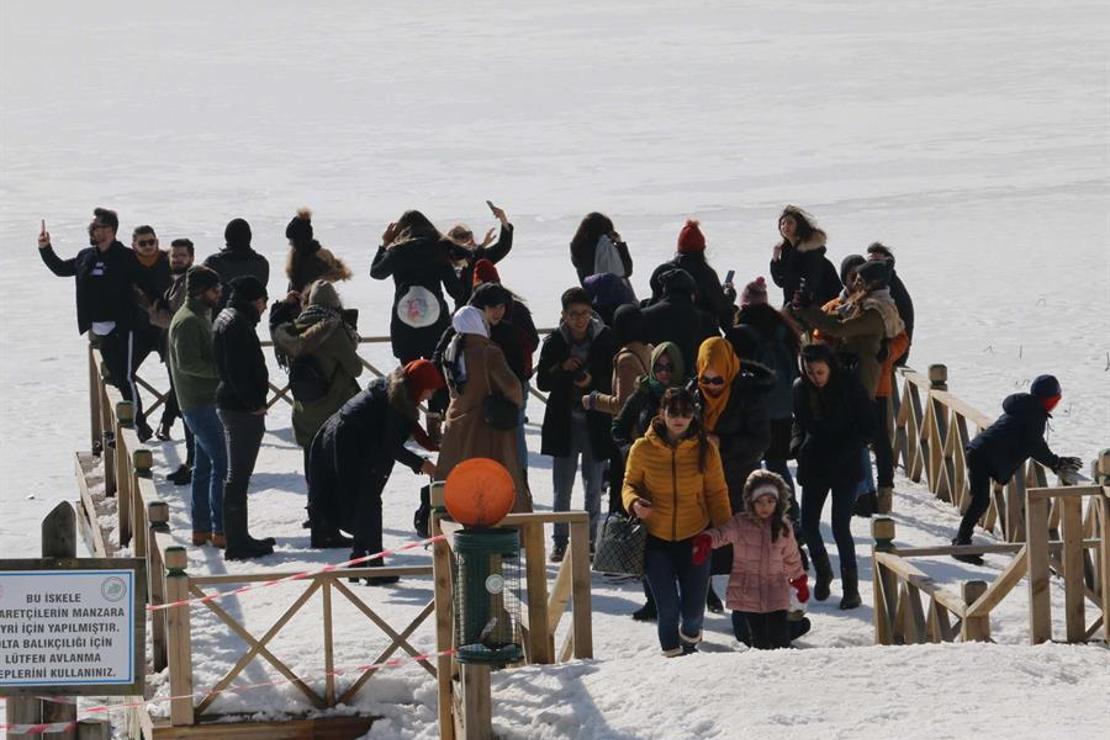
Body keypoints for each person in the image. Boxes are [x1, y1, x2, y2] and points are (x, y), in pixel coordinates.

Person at [307, 361, 442, 585]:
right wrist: (421, 464)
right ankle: (374, 568)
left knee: (366, 500)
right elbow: (392, 445)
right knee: (368, 501)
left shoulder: (399, 389)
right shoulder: (396, 400)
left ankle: (359, 561)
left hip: (351, 438)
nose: (431, 395)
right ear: (419, 387)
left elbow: (406, 421)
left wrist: (428, 443)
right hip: (349, 444)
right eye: (430, 389)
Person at [622, 387, 731, 657]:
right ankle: (671, 661)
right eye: (673, 412)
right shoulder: (643, 448)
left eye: (686, 413)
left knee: (693, 613)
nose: (679, 418)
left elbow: (717, 493)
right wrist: (634, 503)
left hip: (696, 537)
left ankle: (690, 648)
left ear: (693, 415)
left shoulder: (706, 449)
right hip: (655, 540)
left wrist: (726, 531)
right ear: (662, 413)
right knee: (667, 608)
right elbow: (629, 484)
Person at [792, 259, 907, 514]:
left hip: (866, 380)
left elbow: (839, 326)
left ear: (873, 283)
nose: (855, 282)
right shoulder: (861, 303)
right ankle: (863, 493)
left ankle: (866, 494)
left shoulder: (877, 311)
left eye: (860, 279)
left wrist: (810, 311)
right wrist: (809, 307)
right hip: (852, 374)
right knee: (858, 435)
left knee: (864, 437)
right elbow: (835, 317)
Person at [37, 209, 160, 440]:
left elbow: (146, 283)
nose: (94, 230)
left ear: (111, 230)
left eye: (99, 227)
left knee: (124, 377)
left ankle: (136, 427)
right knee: (113, 377)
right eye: (93, 227)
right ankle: (130, 425)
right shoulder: (86, 256)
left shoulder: (125, 256)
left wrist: (161, 306)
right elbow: (61, 269)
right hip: (97, 329)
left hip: (123, 326)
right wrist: (45, 249)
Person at [271, 280, 363, 547]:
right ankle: (328, 529)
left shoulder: (295, 327)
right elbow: (355, 368)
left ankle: (317, 522)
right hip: (332, 409)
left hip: (304, 409)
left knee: (312, 469)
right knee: (332, 471)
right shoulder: (333, 329)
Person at [952, 375, 1081, 564]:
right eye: (1057, 399)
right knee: (980, 500)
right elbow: (1034, 444)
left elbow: (1028, 439)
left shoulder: (1025, 407)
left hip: (980, 452)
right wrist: (1055, 462)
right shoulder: (1034, 413)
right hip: (982, 456)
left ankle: (961, 542)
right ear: (1051, 400)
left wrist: (1054, 461)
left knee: (980, 500)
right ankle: (960, 544)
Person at [536, 287, 619, 561]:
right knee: (562, 488)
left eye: (584, 313)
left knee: (593, 487)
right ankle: (560, 541)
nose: (580, 319)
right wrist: (563, 369)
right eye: (574, 315)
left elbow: (612, 378)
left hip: (596, 422)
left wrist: (591, 381)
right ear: (564, 315)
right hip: (564, 423)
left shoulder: (605, 339)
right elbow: (542, 383)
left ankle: (590, 540)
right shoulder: (554, 342)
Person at [791, 344, 875, 609]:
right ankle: (823, 569)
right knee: (808, 524)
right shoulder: (800, 388)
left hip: (844, 464)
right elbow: (799, 423)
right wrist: (796, 445)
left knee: (840, 527)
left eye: (819, 372)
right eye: (810, 372)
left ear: (830, 367)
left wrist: (846, 450)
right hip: (814, 461)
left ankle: (851, 588)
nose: (815, 377)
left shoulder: (849, 386)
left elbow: (868, 427)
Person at [692, 470, 809, 649]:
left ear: (778, 503)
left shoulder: (783, 527)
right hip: (749, 591)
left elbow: (792, 556)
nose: (765, 507)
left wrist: (799, 581)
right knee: (758, 637)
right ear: (750, 502)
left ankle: (785, 667)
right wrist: (706, 540)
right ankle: (761, 668)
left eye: (770, 502)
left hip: (776, 589)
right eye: (759, 502)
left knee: (780, 636)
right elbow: (722, 534)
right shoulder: (741, 523)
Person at [611, 341, 685, 622]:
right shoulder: (643, 392)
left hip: (681, 477)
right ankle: (654, 599)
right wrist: (629, 451)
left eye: (669, 367)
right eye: (659, 367)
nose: (664, 373)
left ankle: (690, 597)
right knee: (649, 541)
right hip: (647, 479)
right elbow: (618, 426)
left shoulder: (685, 394)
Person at [437, 306, 531, 511]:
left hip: (456, 428)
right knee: (496, 488)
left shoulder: (450, 350)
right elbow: (513, 387)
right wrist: (514, 405)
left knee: (458, 488)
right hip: (487, 429)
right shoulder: (489, 351)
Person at [212, 275, 274, 560]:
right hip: (240, 409)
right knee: (237, 477)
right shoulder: (237, 323)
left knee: (236, 476)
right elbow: (238, 371)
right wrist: (254, 405)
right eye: (264, 301)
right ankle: (237, 542)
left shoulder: (228, 315)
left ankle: (239, 537)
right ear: (255, 299)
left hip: (232, 405)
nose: (265, 308)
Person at [167, 266, 228, 548]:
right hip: (198, 403)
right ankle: (221, 530)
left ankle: (202, 529)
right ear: (201, 291)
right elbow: (187, 363)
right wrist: (222, 371)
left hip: (199, 402)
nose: (220, 294)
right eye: (215, 290)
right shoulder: (189, 321)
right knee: (221, 464)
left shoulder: (197, 315)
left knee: (204, 468)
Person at [730, 277, 801, 494]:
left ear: (744, 304)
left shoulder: (740, 334)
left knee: (749, 465)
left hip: (753, 411)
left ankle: (752, 515)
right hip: (783, 409)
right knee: (777, 465)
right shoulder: (784, 329)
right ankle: (791, 513)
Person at [583, 304, 652, 510]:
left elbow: (623, 404)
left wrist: (594, 400)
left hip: (629, 436)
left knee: (623, 494)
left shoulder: (626, 359)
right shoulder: (648, 349)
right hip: (645, 432)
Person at [151, 239, 197, 482]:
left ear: (191, 257)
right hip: (175, 355)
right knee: (186, 410)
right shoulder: (177, 282)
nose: (177, 259)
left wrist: (152, 312)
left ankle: (194, 463)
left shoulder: (188, 283)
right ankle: (192, 461)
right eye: (173, 255)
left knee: (191, 411)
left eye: (182, 255)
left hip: (184, 356)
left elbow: (175, 320)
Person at [647, 219, 735, 330]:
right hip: (700, 336)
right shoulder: (706, 274)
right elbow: (722, 308)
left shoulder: (662, 271)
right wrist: (729, 295)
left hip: (664, 335)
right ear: (702, 249)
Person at [641, 267, 718, 372]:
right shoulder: (705, 320)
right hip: (691, 381)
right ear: (691, 293)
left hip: (655, 378)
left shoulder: (645, 315)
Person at [768, 205, 841, 308]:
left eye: (790, 223)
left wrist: (802, 303)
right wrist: (775, 260)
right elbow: (782, 282)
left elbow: (813, 280)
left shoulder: (811, 251)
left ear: (798, 225)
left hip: (821, 303)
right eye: (782, 223)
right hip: (796, 303)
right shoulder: (787, 251)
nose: (785, 226)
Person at [446, 201, 514, 304]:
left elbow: (503, 247)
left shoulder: (481, 256)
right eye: (461, 236)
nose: (467, 239)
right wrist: (481, 247)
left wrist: (503, 219)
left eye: (468, 234)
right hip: (466, 311)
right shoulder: (450, 264)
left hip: (488, 308)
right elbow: (462, 286)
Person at [203, 218, 270, 310]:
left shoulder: (213, 263)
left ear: (227, 237)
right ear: (249, 237)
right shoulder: (262, 264)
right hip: (248, 319)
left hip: (218, 319)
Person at [283, 208, 352, 294]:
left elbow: (329, 277)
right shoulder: (296, 257)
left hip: (316, 300)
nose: (290, 244)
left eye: (292, 240)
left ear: (300, 240)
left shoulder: (317, 258)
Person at [866, 242, 914, 365]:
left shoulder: (890, 286)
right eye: (870, 262)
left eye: (877, 261)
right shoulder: (877, 285)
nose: (873, 266)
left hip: (893, 350)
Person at [569, 212, 633, 286]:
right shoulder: (606, 248)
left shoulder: (577, 246)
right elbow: (626, 271)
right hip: (611, 292)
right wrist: (620, 245)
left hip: (589, 291)